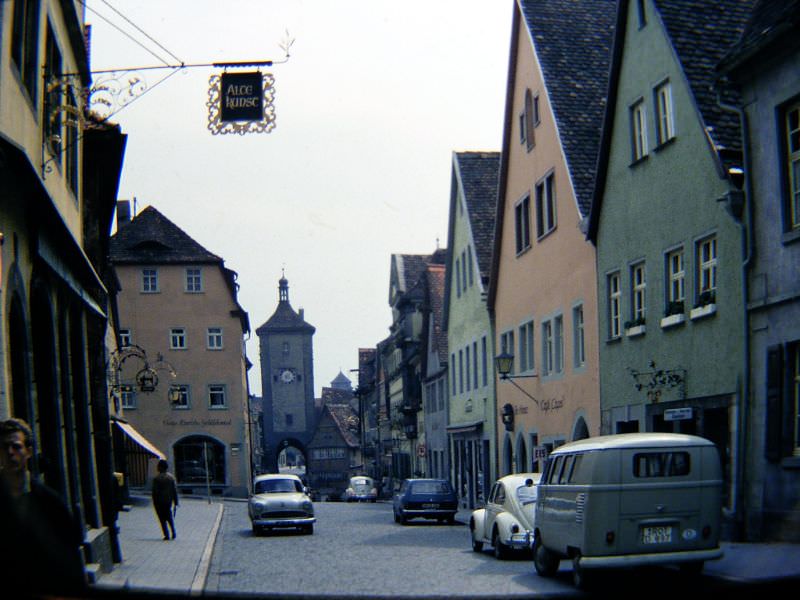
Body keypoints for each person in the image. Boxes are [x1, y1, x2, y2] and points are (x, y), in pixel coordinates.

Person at [0, 418, 86, 595]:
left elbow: (70, 561)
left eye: (16, 446)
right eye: (4, 447)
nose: (10, 453)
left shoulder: (50, 503)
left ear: (28, 451)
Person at [152, 458, 179, 540]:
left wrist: (154, 502)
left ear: (161, 467)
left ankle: (166, 534)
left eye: (158, 466)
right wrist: (176, 502)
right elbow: (174, 491)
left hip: (159, 502)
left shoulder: (157, 479)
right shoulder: (171, 478)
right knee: (169, 517)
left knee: (162, 518)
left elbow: (155, 492)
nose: (157, 468)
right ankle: (173, 532)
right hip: (168, 501)